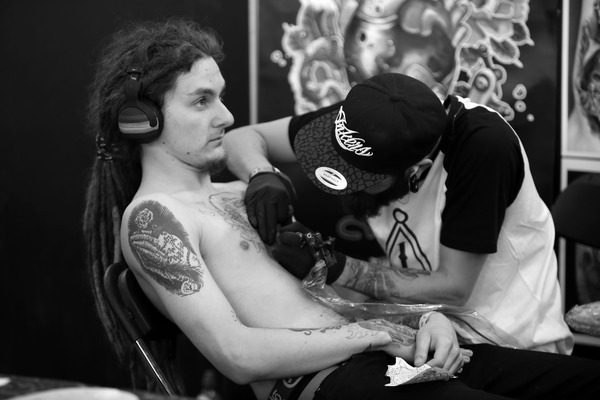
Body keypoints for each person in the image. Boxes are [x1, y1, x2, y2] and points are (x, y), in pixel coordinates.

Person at [83, 18, 600, 400]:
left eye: (221, 97)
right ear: (141, 121)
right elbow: (237, 356)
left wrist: (422, 321)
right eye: (201, 101)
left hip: (392, 351)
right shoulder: (154, 219)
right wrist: (377, 336)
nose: (227, 115)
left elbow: (328, 294)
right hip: (329, 377)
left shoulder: (236, 195)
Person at [223, 72, 573, 355]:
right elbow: (242, 138)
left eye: (361, 177)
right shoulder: (369, 121)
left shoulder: (483, 148)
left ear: (415, 172)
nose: (345, 183)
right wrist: (262, 174)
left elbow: (454, 288)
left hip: (507, 338)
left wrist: (333, 266)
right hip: (424, 325)